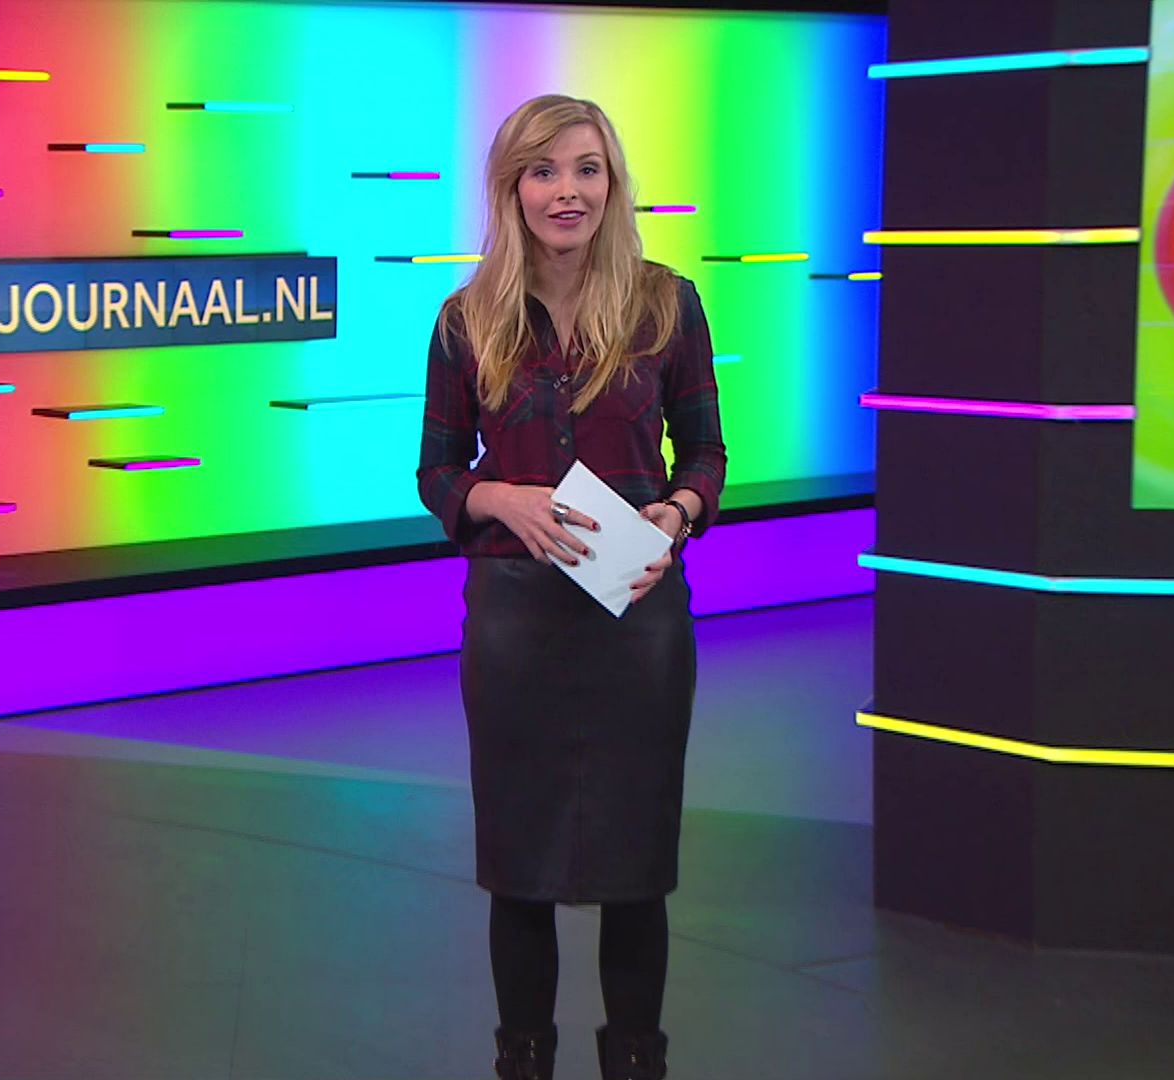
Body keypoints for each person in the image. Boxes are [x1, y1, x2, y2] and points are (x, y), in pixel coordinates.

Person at [416, 94, 726, 1080]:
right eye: (544, 171)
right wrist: (498, 498)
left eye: (587, 169)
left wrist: (677, 512)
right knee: (521, 867)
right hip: (515, 619)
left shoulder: (666, 304)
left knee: (637, 867)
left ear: (612, 183)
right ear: (513, 188)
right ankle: (524, 1060)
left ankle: (636, 1060)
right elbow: (436, 472)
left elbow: (706, 453)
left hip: (637, 615)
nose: (568, 192)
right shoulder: (466, 320)